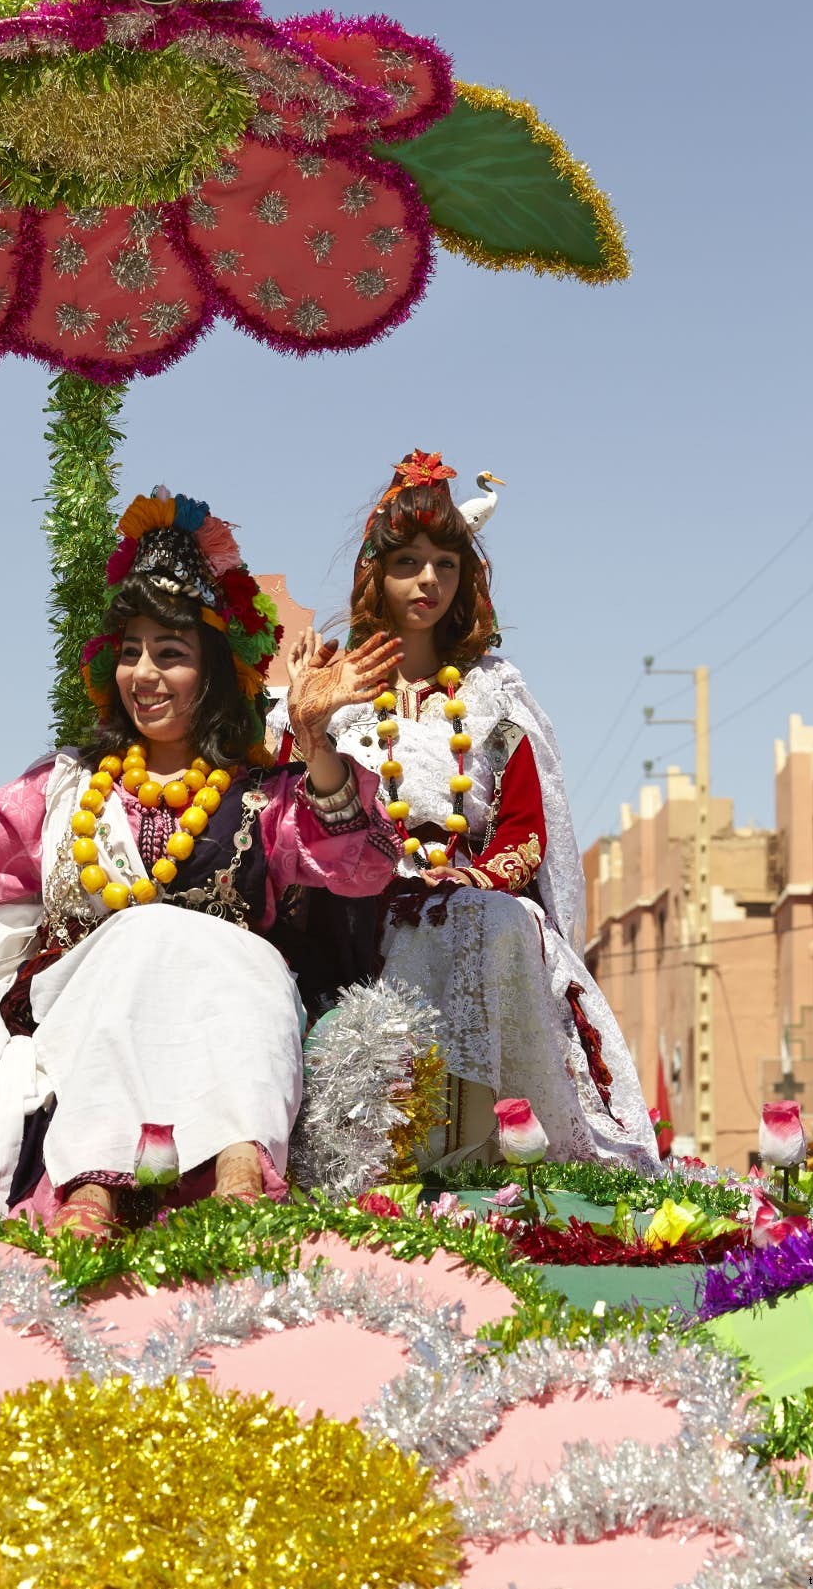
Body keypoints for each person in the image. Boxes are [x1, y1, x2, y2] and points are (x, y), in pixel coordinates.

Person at [0, 490, 401, 1236]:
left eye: (171, 654)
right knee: (137, 937)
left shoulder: (265, 796)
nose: (145, 673)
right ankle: (91, 1188)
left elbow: (363, 867)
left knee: (228, 955)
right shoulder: (61, 791)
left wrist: (316, 741)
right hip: (87, 1018)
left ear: (215, 672)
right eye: (132, 651)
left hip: (227, 1017)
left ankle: (239, 1174)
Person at [292, 451, 658, 1174]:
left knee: (484, 922)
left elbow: (525, 828)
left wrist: (472, 879)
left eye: (445, 563)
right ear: (376, 573)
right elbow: (293, 817)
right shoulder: (333, 686)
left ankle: (483, 1162)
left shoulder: (494, 694)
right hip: (354, 912)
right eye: (408, 562)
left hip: (475, 900)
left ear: (466, 578)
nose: (428, 579)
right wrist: (309, 721)